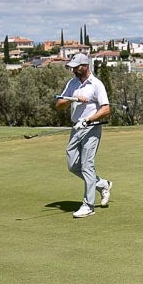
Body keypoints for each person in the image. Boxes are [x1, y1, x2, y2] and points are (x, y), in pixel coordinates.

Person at [53, 53, 113, 218]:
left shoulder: (96, 84)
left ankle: (88, 206)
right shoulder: (72, 83)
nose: (73, 70)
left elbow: (106, 109)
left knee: (87, 165)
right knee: (73, 165)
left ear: (85, 66)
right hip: (76, 127)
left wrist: (88, 120)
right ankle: (102, 184)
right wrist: (72, 99)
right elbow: (59, 105)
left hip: (91, 127)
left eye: (76, 67)